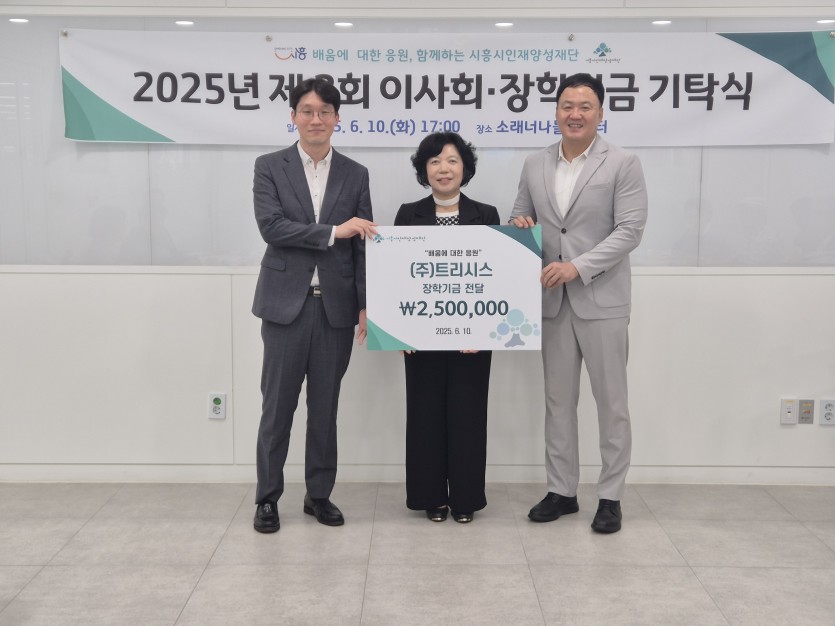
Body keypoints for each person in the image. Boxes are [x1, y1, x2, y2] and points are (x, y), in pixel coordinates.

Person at [510, 73, 648, 533]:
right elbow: (520, 215)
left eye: (585, 106)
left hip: (602, 299)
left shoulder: (623, 163)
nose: (575, 114)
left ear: (601, 112)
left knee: (612, 403)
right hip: (551, 302)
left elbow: (629, 231)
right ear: (556, 111)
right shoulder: (534, 163)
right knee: (558, 402)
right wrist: (520, 222)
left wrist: (578, 267)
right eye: (567, 105)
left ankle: (610, 496)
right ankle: (561, 490)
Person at [251, 77, 377, 533]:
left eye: (325, 111)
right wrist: (333, 232)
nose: (316, 119)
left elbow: (363, 244)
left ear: (337, 118)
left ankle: (319, 495)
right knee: (277, 409)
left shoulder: (356, 173)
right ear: (294, 116)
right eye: (307, 111)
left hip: (335, 310)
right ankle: (267, 499)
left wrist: (365, 304)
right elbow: (272, 227)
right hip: (286, 305)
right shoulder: (270, 166)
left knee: (325, 409)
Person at [394, 132, 500, 524]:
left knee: (468, 416)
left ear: (465, 169)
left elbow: (494, 277)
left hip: (473, 339)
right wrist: (400, 329)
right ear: (424, 170)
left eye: (452, 160)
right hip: (419, 336)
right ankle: (431, 497)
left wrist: (483, 331)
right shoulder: (408, 214)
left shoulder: (486, 214)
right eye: (435, 161)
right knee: (424, 416)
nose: (444, 168)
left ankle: (466, 499)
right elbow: (398, 275)